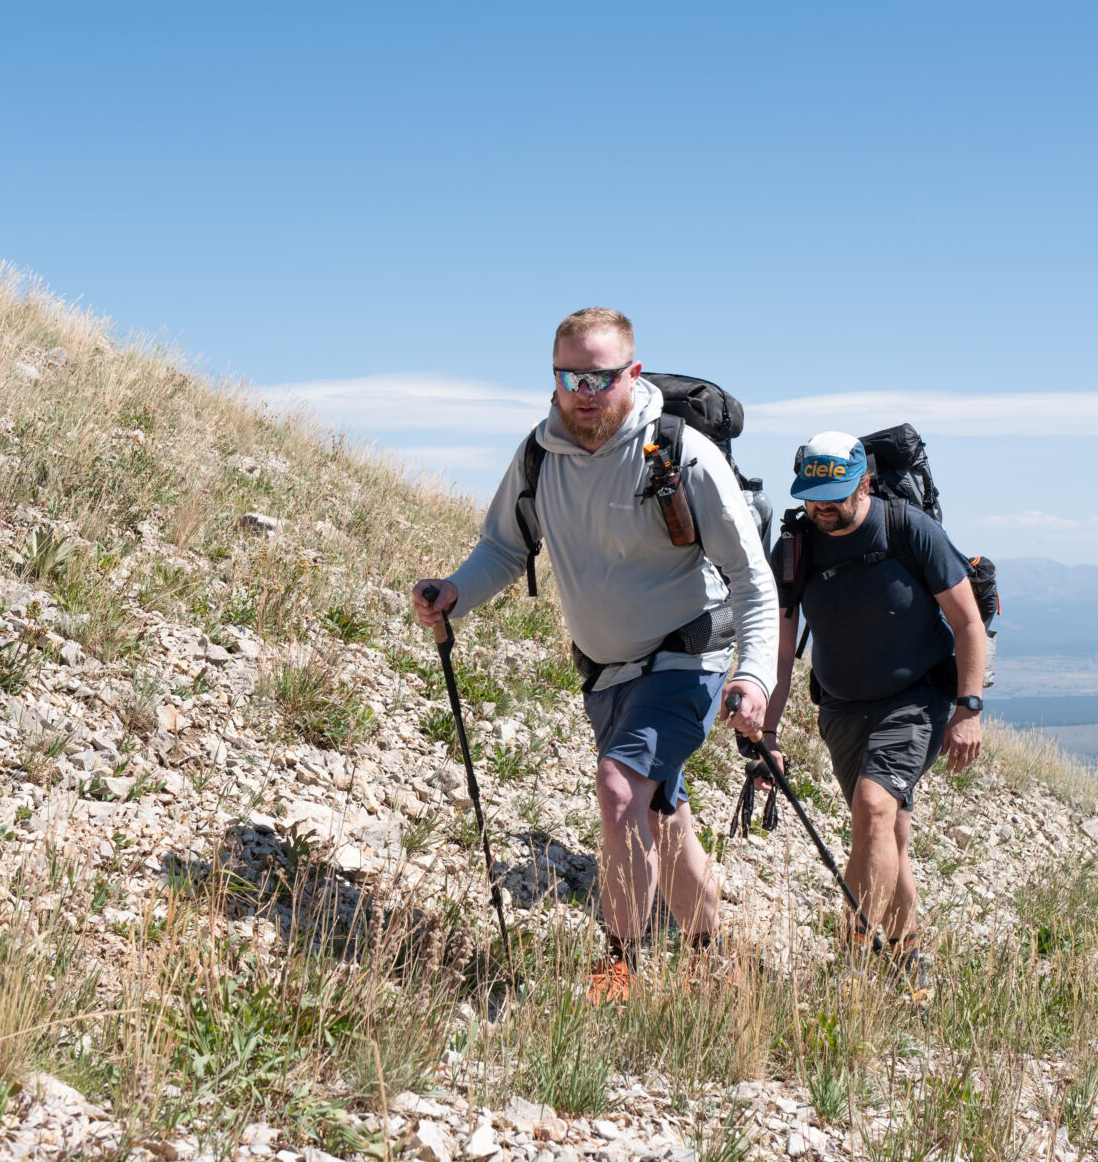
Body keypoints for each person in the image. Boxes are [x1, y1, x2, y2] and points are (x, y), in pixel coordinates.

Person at [412, 309, 776, 1002]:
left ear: (631, 374)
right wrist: (456, 589)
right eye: (569, 376)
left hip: (685, 660)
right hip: (604, 675)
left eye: (599, 377)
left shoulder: (681, 452)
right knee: (664, 812)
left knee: (618, 789)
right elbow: (505, 546)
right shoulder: (539, 455)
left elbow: (752, 578)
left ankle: (621, 965)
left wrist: (754, 675)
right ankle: (707, 953)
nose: (583, 390)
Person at [757, 433, 988, 988]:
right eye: (813, 495)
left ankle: (856, 954)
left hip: (917, 698)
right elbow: (782, 650)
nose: (822, 506)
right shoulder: (797, 547)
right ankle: (910, 957)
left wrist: (968, 708)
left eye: (835, 494)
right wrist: (768, 732)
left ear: (864, 483)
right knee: (888, 833)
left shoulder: (909, 529)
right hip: (841, 708)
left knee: (872, 807)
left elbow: (968, 623)